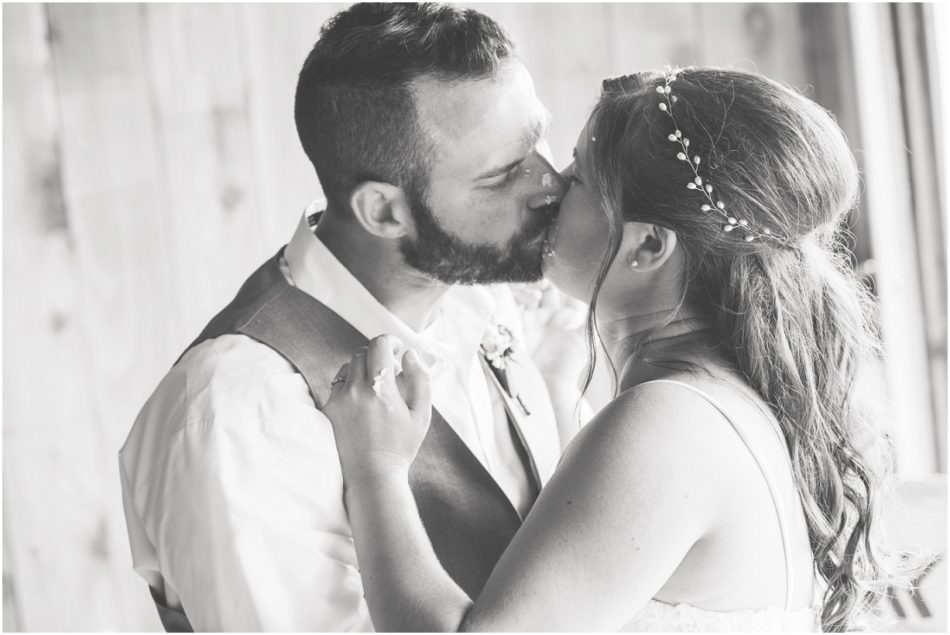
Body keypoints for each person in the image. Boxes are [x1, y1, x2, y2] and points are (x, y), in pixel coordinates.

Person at [322, 68, 900, 632]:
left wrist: (377, 471)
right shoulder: (712, 401)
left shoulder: (669, 422)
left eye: (577, 176)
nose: (549, 185)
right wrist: (553, 389)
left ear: (647, 244)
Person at [118, 3, 577, 631]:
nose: (552, 184)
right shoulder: (237, 415)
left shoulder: (483, 297)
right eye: (502, 174)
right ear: (385, 214)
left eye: (538, 137)